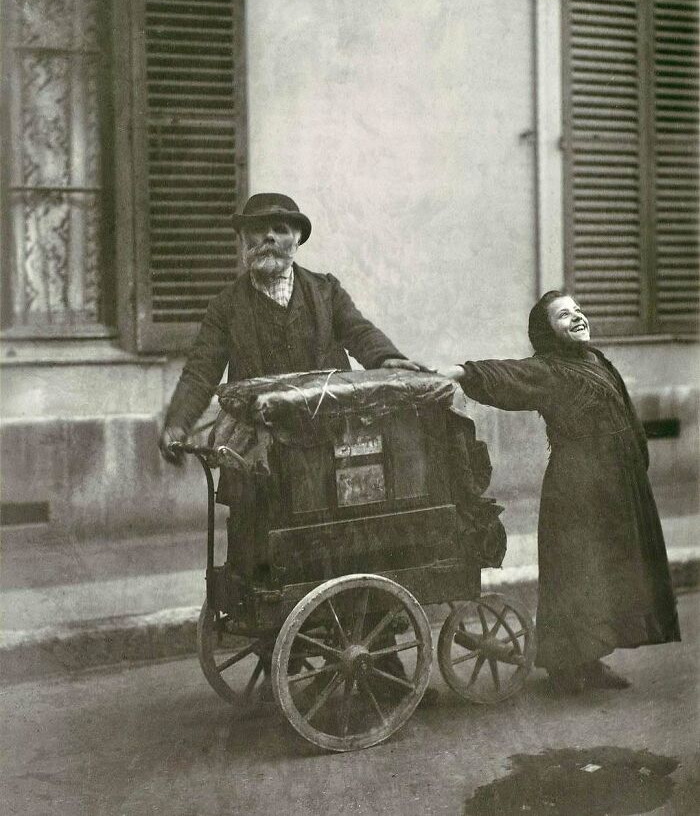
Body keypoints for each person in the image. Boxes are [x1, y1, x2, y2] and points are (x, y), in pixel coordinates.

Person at [435, 290, 681, 694]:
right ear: (547, 332)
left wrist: (637, 463)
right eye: (564, 316)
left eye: (579, 311)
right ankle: (565, 669)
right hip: (578, 489)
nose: (578, 318)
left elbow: (627, 415)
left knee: (605, 574)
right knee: (576, 575)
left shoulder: (597, 361)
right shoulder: (549, 370)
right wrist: (461, 372)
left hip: (617, 486)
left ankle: (591, 660)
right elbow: (508, 374)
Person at [159, 192, 424, 460]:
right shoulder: (225, 306)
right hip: (258, 450)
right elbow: (200, 373)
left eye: (280, 229)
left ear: (297, 240)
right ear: (242, 239)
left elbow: (360, 332)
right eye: (258, 229)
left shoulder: (326, 292)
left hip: (328, 441)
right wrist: (177, 424)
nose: (269, 237)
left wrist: (386, 357)